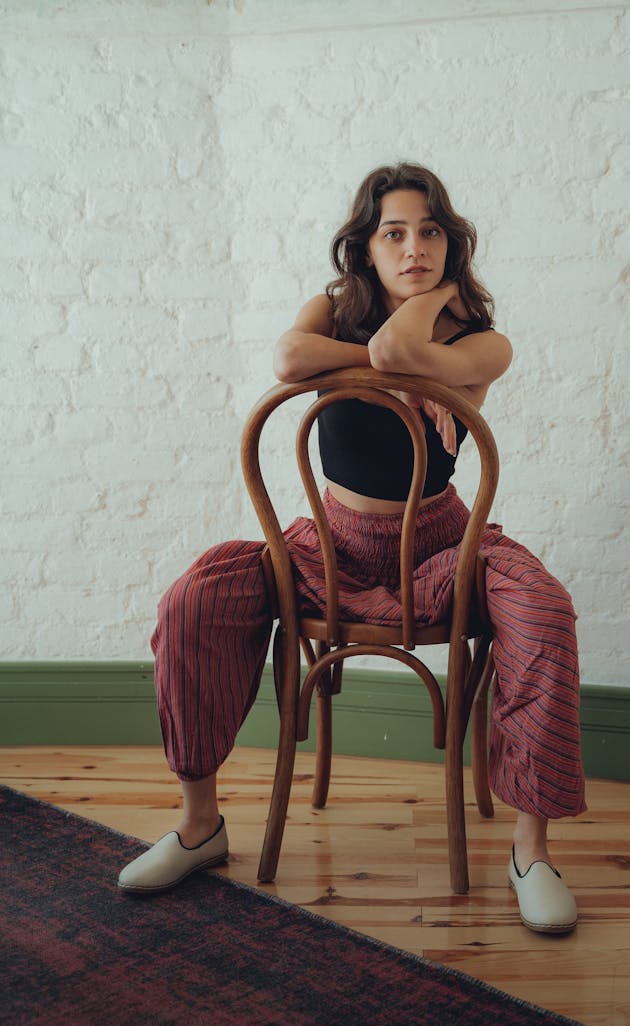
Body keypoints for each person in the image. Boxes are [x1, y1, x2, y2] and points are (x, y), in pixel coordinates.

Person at [118, 162, 586, 933]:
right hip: (325, 544)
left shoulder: (483, 341)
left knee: (545, 609)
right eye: (393, 234)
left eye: (431, 233)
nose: (413, 249)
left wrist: (434, 303)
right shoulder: (330, 311)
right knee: (194, 598)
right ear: (365, 247)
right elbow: (289, 361)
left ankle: (531, 850)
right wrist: (387, 366)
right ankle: (199, 825)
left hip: (441, 546)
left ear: (452, 244)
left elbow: (404, 347)